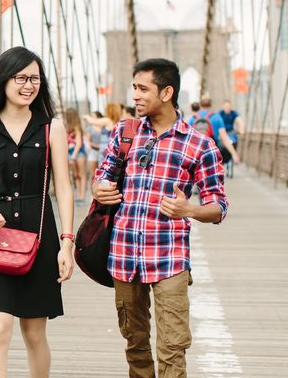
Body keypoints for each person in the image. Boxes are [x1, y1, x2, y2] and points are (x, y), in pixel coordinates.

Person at [92, 58, 229, 378]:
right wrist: (99, 189)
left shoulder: (199, 145)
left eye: (143, 89)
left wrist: (190, 210)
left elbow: (218, 205)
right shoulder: (123, 133)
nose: (135, 96)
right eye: (134, 88)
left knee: (172, 348)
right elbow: (102, 176)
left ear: (166, 92)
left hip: (170, 258)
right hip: (124, 254)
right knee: (135, 344)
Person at [0, 46, 75, 378]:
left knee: (34, 332)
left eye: (35, 79)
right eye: (21, 78)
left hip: (40, 237)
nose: (29, 85)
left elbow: (64, 188)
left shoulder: (50, 128)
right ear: (4, 80)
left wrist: (66, 244)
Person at [187, 97, 240, 164]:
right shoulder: (217, 117)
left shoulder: (193, 118)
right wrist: (234, 154)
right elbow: (224, 138)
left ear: (200, 105)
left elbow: (188, 137)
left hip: (196, 152)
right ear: (210, 105)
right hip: (212, 152)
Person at [83, 103, 122, 180]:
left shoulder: (107, 121)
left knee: (103, 171)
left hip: (104, 149)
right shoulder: (117, 121)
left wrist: (86, 117)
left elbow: (92, 121)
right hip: (111, 148)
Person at [65, 108, 88, 204]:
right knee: (76, 175)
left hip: (79, 153)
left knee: (82, 175)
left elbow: (78, 143)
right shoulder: (67, 128)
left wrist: (72, 156)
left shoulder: (77, 128)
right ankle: (79, 196)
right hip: (70, 153)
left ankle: (82, 197)